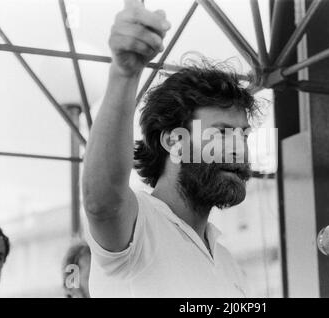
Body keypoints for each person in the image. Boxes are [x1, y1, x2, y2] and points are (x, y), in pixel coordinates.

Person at [82, 0, 258, 297]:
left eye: (243, 135)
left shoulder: (229, 264)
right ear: (174, 141)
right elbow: (102, 203)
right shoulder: (138, 227)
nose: (238, 149)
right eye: (223, 133)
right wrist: (124, 75)